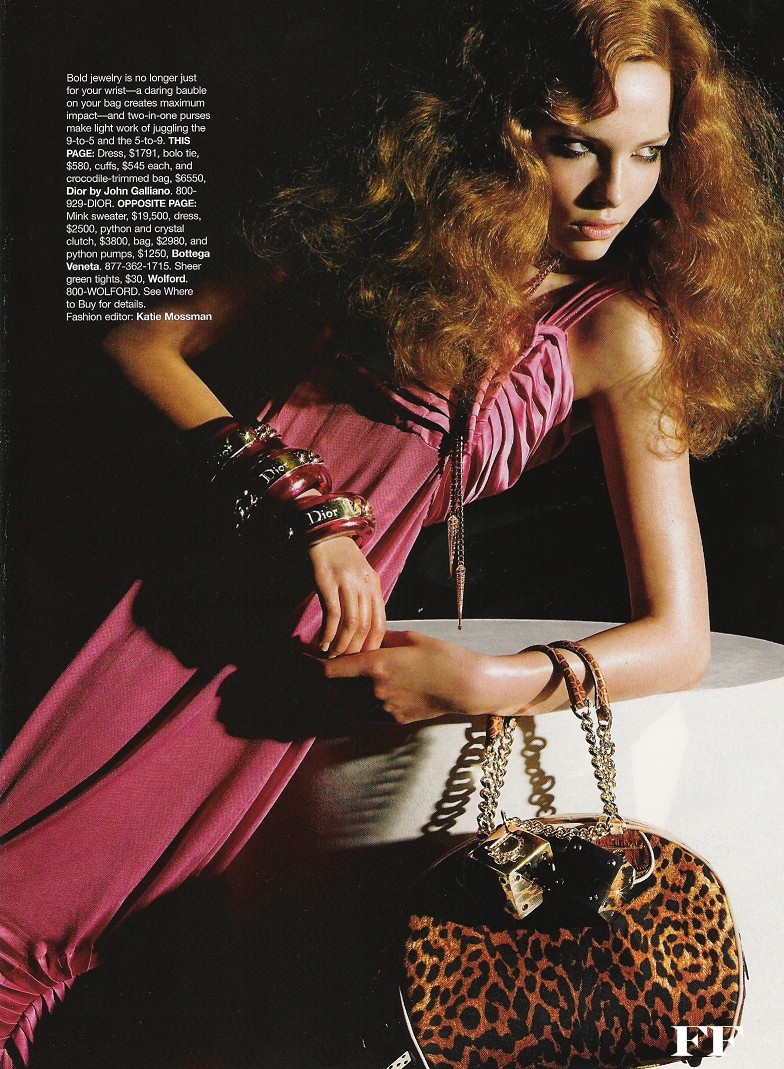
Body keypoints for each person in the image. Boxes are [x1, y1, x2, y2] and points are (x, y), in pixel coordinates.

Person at [1, 0, 782, 1064]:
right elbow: (139, 343)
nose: (615, 191)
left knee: (44, 955)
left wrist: (486, 684)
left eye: (647, 153)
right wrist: (302, 510)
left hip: (276, 666)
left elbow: (678, 637)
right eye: (576, 146)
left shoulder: (616, 334)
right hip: (147, 607)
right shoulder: (377, 229)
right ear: (501, 130)